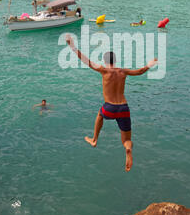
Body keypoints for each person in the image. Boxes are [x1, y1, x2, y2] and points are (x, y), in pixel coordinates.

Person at [65, 35, 157, 172]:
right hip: (123, 108)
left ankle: (94, 139)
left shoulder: (104, 70)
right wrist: (149, 64)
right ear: (116, 60)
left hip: (109, 107)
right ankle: (128, 149)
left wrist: (72, 46)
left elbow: (86, 61)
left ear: (105, 61)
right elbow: (140, 71)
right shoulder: (123, 71)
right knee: (126, 139)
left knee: (100, 115)